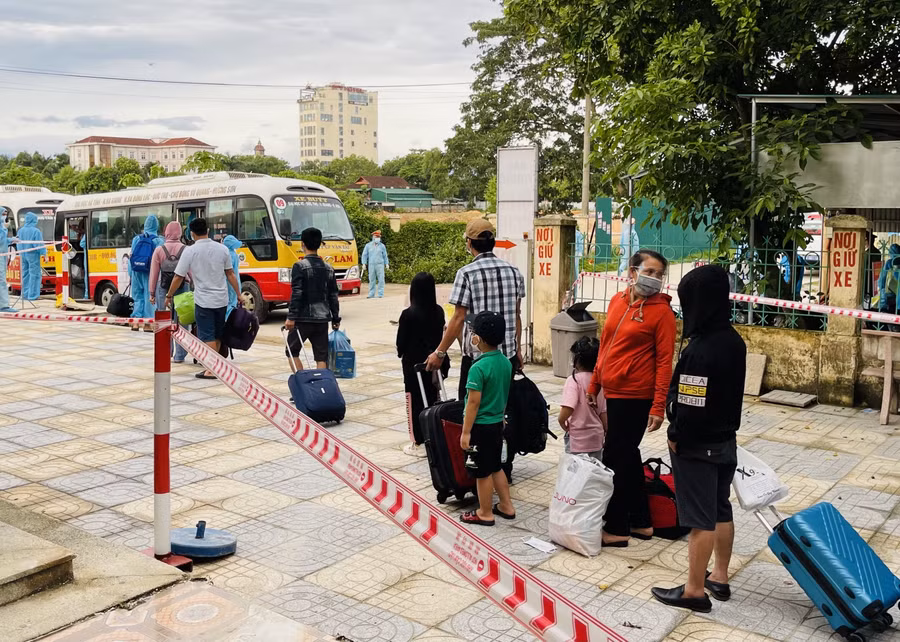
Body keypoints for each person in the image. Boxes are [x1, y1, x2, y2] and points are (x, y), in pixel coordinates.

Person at [651, 264, 746, 613]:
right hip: (725, 441)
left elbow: (690, 405)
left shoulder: (699, 350)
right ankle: (718, 575)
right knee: (721, 508)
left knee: (700, 518)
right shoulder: (735, 342)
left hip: (697, 446)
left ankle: (694, 590)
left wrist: (676, 435)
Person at [587, 249, 675, 547]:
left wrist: (658, 405)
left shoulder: (662, 313)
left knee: (615, 457)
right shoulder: (617, 302)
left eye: (659, 275)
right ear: (632, 271)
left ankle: (617, 527)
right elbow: (605, 346)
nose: (654, 279)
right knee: (626, 456)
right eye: (649, 272)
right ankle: (641, 522)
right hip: (613, 392)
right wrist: (594, 384)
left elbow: (665, 362)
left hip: (637, 395)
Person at [425, 219, 525, 399]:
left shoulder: (466, 273)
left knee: (471, 410)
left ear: (469, 243)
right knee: (502, 409)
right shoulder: (514, 272)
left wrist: (440, 353)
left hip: (477, 359)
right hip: (507, 358)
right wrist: (517, 350)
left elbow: (459, 318)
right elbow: (517, 316)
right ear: (493, 242)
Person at [164, 218, 242, 379]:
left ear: (191, 234)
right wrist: (239, 294)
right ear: (208, 230)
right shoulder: (222, 249)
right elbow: (230, 274)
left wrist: (169, 295)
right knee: (218, 333)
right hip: (222, 299)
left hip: (203, 301)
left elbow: (178, 276)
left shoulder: (190, 251)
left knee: (207, 335)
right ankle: (214, 367)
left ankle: (212, 369)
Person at [458, 311, 514, 527]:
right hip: (497, 424)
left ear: (477, 339)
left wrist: (465, 431)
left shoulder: (478, 368)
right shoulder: (505, 364)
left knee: (482, 472)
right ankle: (507, 506)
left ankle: (485, 512)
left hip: (480, 427)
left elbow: (473, 403)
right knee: (496, 467)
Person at [397, 272, 448, 457]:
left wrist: (400, 351)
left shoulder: (408, 315)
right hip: (434, 363)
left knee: (414, 401)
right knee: (433, 397)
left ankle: (417, 441)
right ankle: (433, 434)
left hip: (413, 365)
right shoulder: (439, 311)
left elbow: (400, 343)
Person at [285, 227, 341, 370]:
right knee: (321, 356)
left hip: (303, 319)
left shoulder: (300, 266)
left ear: (302, 244)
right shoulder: (329, 268)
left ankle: (303, 384)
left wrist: (291, 317)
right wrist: (335, 318)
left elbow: (297, 293)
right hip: (322, 319)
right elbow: (333, 296)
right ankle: (321, 386)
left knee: (292, 351)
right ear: (319, 244)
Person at [558, 336, 607, 459]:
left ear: (576, 360)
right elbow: (603, 414)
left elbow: (568, 408)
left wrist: (561, 420)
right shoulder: (600, 383)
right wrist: (607, 432)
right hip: (596, 439)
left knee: (577, 475)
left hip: (577, 440)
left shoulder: (574, 380)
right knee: (594, 473)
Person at [149, 221, 190, 364]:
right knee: (182, 321)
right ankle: (180, 355)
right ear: (179, 232)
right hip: (182, 288)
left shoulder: (159, 250)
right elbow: (190, 271)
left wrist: (152, 293)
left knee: (164, 321)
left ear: (166, 231)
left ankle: (166, 353)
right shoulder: (186, 249)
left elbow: (154, 273)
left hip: (163, 289)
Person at [129, 215, 164, 329]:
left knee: (137, 296)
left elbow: (131, 256)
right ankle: (148, 324)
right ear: (156, 226)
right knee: (150, 296)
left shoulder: (136, 239)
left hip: (136, 272)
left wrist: (131, 273)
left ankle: (135, 322)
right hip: (150, 273)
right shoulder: (158, 240)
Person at [18, 211, 46, 301]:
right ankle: (33, 295)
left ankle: (25, 295)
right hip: (33, 255)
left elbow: (18, 243)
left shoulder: (20, 231)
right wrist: (44, 254)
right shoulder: (36, 231)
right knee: (35, 275)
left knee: (25, 274)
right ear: (34, 220)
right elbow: (38, 245)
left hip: (23, 254)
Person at [361, 230, 389, 298]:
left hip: (380, 264)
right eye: (376, 237)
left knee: (381, 279)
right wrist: (364, 263)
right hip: (371, 265)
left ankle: (380, 294)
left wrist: (386, 263)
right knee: (372, 279)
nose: (377, 238)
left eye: (378, 237)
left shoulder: (382, 246)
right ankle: (371, 294)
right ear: (373, 237)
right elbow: (364, 255)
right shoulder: (368, 245)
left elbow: (385, 255)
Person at [0, 210, 18, 312]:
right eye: (3, 214)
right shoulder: (2, 228)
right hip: (0, 256)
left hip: (2, 256)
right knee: (2, 281)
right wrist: (3, 229)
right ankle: (3, 305)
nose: (4, 217)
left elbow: (3, 241)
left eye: (5, 214)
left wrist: (11, 240)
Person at [222, 235, 243, 319]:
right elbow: (231, 272)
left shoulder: (227, 253)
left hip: (229, 281)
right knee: (232, 302)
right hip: (233, 281)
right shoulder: (232, 254)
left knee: (230, 302)